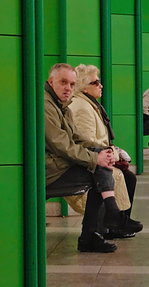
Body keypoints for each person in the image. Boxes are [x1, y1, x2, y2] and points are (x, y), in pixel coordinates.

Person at [45, 63, 143, 253]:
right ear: (51, 81)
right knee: (98, 171)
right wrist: (95, 158)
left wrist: (103, 151)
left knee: (101, 167)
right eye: (63, 82)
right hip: (48, 169)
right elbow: (61, 144)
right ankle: (102, 225)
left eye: (72, 84)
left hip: (59, 163)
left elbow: (77, 138)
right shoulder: (50, 105)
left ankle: (100, 228)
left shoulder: (62, 104)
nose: (68, 88)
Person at [68, 64, 140, 239]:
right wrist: (113, 157)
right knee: (120, 177)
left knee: (126, 176)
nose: (101, 85)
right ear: (84, 87)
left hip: (96, 157)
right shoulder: (82, 108)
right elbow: (87, 143)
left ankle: (113, 223)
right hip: (85, 162)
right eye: (96, 82)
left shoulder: (89, 104)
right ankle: (113, 223)